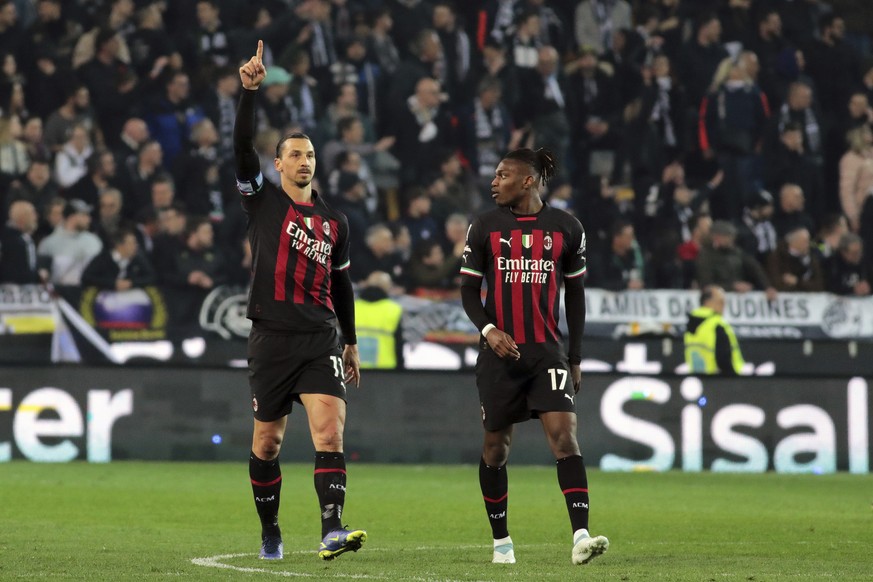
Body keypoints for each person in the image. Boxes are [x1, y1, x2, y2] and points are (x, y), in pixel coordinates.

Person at [235, 40, 365, 562]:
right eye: (295, 154)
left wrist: (350, 340)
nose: (304, 161)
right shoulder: (260, 200)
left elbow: (342, 285)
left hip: (319, 339)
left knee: (329, 431)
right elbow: (240, 149)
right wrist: (249, 93)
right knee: (266, 444)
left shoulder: (335, 222)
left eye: (310, 155)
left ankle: (331, 529)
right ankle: (271, 530)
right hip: (270, 337)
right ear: (278, 163)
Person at [460, 147, 608, 566]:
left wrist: (574, 356)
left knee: (565, 439)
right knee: (496, 449)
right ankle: (501, 542)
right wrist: (489, 332)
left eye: (502, 175)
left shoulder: (566, 227)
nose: (494, 181)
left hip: (547, 354)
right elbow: (469, 292)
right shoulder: (484, 226)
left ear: (527, 180)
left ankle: (581, 535)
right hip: (499, 356)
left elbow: (576, 298)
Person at [684, 285, 745, 376]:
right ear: (707, 302)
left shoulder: (690, 326)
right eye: (721, 302)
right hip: (721, 382)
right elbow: (723, 359)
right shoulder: (717, 324)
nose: (723, 306)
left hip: (698, 379)